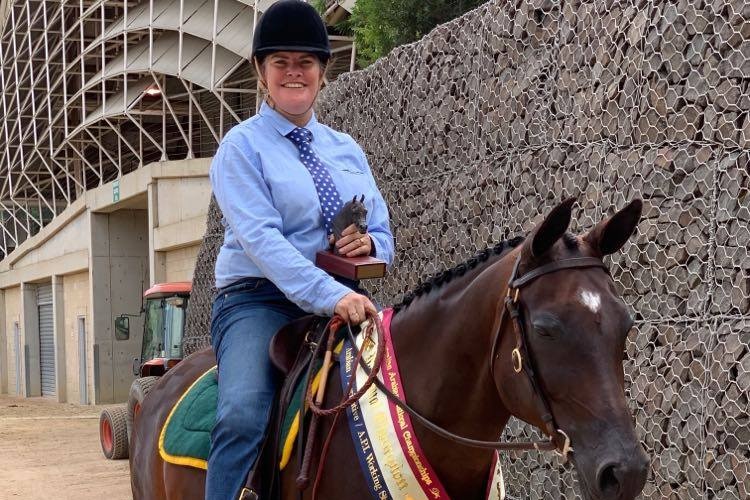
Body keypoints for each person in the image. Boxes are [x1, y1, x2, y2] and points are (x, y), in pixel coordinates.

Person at [206, 1, 395, 498]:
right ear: (260, 72)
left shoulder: (347, 149)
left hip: (345, 299)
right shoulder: (240, 149)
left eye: (305, 62)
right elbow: (263, 242)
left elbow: (384, 233)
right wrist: (331, 296)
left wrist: (369, 242)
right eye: (280, 62)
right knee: (243, 413)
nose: (294, 73)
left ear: (323, 72)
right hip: (258, 300)